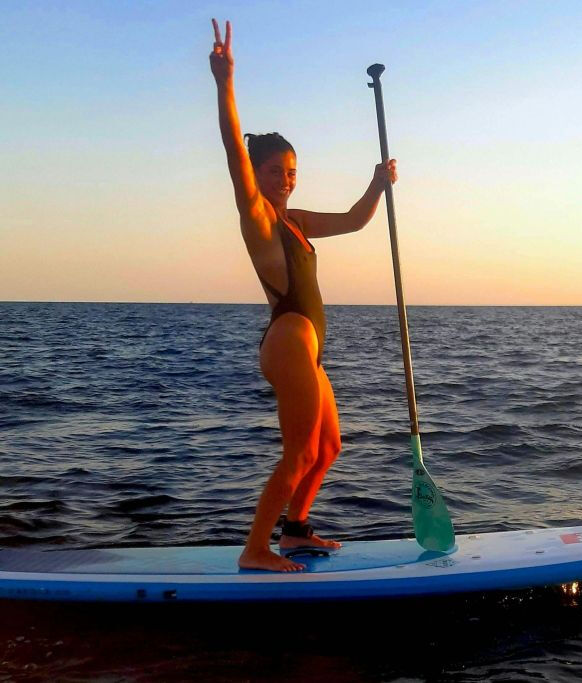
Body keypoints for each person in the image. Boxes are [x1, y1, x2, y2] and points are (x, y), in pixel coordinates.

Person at [209, 19, 397, 571]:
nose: (285, 179)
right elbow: (231, 148)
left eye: (291, 171)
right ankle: (255, 549)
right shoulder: (260, 220)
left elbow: (356, 222)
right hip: (289, 340)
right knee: (298, 452)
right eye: (274, 171)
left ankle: (294, 531)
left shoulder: (295, 220)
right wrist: (225, 83)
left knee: (329, 447)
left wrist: (377, 183)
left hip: (307, 348)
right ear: (257, 173)